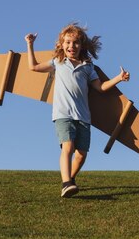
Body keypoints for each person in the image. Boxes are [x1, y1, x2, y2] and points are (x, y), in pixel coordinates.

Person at [26, 23, 130, 198]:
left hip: (83, 116)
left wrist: (118, 78)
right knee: (68, 146)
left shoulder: (88, 67)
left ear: (81, 46)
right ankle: (66, 182)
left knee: (81, 155)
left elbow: (101, 87)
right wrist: (30, 44)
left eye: (75, 43)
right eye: (67, 42)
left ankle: (68, 182)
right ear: (61, 44)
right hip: (63, 114)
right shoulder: (58, 62)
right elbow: (33, 67)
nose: (71, 46)